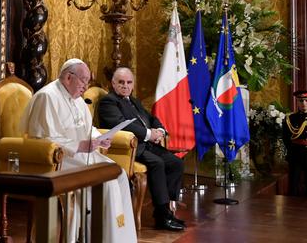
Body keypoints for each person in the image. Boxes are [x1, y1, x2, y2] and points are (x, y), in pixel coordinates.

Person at [20, 58, 137, 243]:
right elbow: (43, 140)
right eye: (84, 80)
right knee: (105, 179)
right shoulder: (47, 97)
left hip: (81, 156)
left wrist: (99, 139)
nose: (86, 86)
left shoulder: (78, 100)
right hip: (58, 160)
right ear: (68, 77)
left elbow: (86, 128)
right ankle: (95, 236)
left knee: (119, 173)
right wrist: (80, 146)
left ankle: (119, 237)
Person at [98, 67, 185, 231]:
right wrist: (148, 134)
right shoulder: (109, 101)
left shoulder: (133, 100)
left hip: (148, 145)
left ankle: (167, 210)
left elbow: (151, 118)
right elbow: (120, 124)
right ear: (113, 83)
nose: (125, 86)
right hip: (129, 149)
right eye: (121, 82)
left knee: (175, 163)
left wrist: (160, 131)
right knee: (157, 163)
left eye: (129, 82)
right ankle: (162, 215)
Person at [283, 89, 307, 196]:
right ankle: (291, 208)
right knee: (293, 184)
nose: (303, 103)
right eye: (301, 101)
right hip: (296, 154)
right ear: (297, 102)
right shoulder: (290, 118)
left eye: (306, 100)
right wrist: (291, 151)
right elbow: (285, 137)